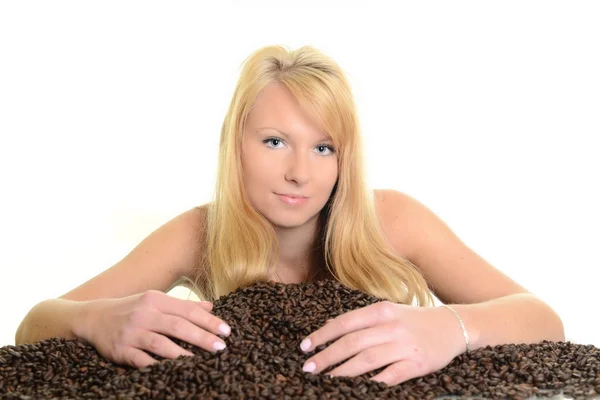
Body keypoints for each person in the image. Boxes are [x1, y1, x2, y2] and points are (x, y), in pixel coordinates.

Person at [14, 45, 565, 387]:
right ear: (236, 146)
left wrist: (452, 327)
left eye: (324, 148)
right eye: (275, 141)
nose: (300, 172)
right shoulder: (199, 233)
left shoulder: (392, 220)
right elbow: (33, 326)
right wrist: (95, 320)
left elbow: (543, 320)